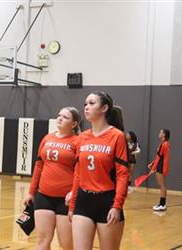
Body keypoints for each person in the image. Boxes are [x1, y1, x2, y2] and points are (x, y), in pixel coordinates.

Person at [69, 91, 129, 250]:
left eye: (91, 103)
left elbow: (123, 175)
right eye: (85, 104)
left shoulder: (117, 136)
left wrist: (117, 206)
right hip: (83, 201)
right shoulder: (81, 138)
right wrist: (72, 205)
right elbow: (77, 174)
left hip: (107, 202)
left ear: (104, 108)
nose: (86, 107)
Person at [24, 107, 81, 250]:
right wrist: (31, 192)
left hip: (65, 200)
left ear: (74, 124)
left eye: (65, 117)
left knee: (66, 243)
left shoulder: (77, 142)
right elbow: (38, 166)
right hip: (43, 196)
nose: (60, 118)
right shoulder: (47, 138)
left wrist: (73, 192)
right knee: (42, 240)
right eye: (59, 115)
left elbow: (80, 172)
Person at [148, 129, 170, 211]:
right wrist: (153, 164)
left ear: (164, 135)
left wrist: (153, 168)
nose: (159, 133)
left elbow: (160, 158)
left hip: (161, 167)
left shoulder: (164, 144)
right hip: (161, 166)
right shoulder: (165, 144)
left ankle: (162, 205)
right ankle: (162, 204)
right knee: (162, 185)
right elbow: (160, 157)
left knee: (162, 186)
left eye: (160, 132)